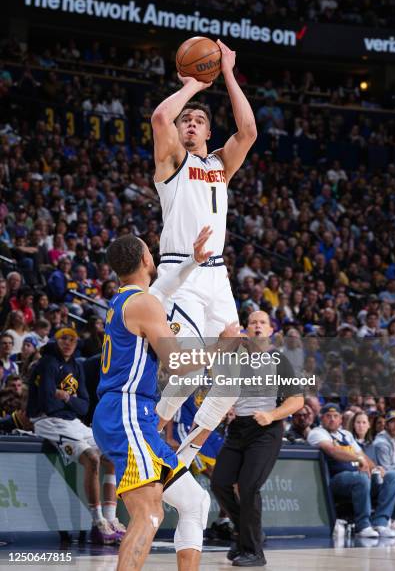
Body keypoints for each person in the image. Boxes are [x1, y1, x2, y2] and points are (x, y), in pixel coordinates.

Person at [92, 229, 239, 571]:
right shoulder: (143, 303)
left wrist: (192, 261)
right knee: (149, 511)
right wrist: (219, 347)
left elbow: (165, 287)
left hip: (130, 413)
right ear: (146, 259)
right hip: (127, 410)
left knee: (194, 502)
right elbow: (175, 363)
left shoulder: (129, 299)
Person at [151, 39, 257, 468]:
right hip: (181, 271)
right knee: (188, 367)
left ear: (209, 133)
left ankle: (186, 451)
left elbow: (248, 131)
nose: (191, 124)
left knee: (241, 360)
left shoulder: (218, 166)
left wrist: (227, 72)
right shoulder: (170, 162)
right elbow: (161, 116)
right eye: (187, 121)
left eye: (199, 121)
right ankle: (151, 431)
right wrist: (193, 86)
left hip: (216, 274)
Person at [211, 310, 304, 567]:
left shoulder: (278, 359)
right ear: (246, 329)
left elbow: (297, 400)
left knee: (249, 486)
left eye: (263, 322)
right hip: (237, 428)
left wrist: (272, 414)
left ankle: (254, 552)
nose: (258, 326)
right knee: (219, 483)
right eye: (253, 322)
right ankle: (245, 534)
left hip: (266, 430)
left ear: (271, 330)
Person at [27, 327, 125, 545]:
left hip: (73, 421)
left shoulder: (76, 366)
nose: (68, 343)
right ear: (57, 340)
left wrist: (66, 397)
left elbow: (83, 405)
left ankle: (110, 519)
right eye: (64, 339)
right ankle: (98, 523)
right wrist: (68, 400)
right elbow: (48, 402)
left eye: (72, 339)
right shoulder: (48, 363)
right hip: (47, 421)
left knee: (111, 454)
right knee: (92, 457)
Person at [308, 403, 395, 538]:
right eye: (328, 416)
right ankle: (363, 525)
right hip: (335, 480)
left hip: (359, 478)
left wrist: (375, 468)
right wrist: (359, 460)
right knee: (360, 477)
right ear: (321, 418)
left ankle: (380, 522)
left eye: (335, 416)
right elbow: (332, 450)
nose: (332, 419)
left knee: (392, 476)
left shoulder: (346, 434)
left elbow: (362, 455)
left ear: (341, 419)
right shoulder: (317, 432)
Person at [373, 410, 395, 535]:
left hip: (393, 479)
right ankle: (380, 522)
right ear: (386, 425)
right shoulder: (381, 442)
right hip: (378, 480)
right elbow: (386, 470)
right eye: (393, 423)